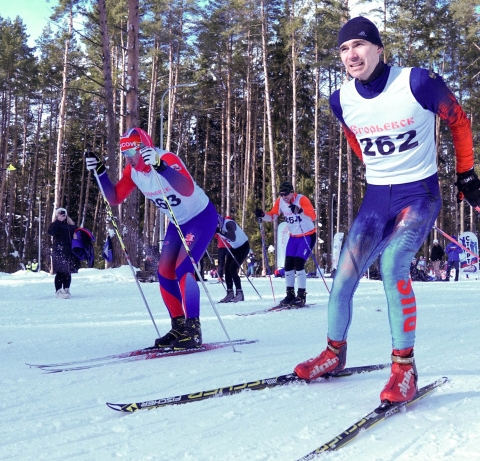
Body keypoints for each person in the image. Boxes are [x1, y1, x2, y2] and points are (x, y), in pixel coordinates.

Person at [294, 16, 476, 407]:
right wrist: (375, 166)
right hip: (377, 199)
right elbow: (354, 138)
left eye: (359, 45)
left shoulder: (417, 82)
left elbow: (459, 121)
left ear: (379, 49)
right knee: (342, 277)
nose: (351, 54)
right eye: (344, 49)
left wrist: (466, 174)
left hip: (419, 196)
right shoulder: (341, 99)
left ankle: (404, 367)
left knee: (394, 264)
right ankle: (333, 353)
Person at [85, 127, 217, 349]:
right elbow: (115, 198)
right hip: (178, 223)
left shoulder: (166, 158)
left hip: (200, 218)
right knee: (164, 271)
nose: (128, 159)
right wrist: (100, 172)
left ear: (143, 148)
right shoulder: (133, 172)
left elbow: (187, 188)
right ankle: (179, 326)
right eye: (124, 154)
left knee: (183, 267)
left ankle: (194, 330)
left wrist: (161, 167)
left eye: (130, 153)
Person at [255, 181, 316, 307]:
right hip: (293, 237)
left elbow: (313, 216)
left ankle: (301, 296)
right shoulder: (280, 202)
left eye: (286, 194)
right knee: (288, 265)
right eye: (281, 194)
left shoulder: (301, 199)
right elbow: (272, 216)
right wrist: (263, 215)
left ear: (292, 192)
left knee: (299, 263)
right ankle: (290, 295)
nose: (284, 197)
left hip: (307, 236)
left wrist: (300, 211)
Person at [216, 215, 250, 302]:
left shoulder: (229, 223)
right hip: (234, 248)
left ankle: (239, 293)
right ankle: (230, 293)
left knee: (232, 268)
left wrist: (220, 232)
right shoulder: (219, 226)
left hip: (243, 247)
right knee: (227, 269)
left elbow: (232, 237)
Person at [48, 207, 78, 299]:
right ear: (57, 215)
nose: (62, 215)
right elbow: (50, 232)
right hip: (59, 251)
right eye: (60, 213)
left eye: (64, 213)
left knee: (68, 272)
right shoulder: (56, 224)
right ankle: (58, 291)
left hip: (70, 251)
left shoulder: (72, 225)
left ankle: (66, 289)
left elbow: (79, 233)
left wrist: (77, 237)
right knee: (60, 272)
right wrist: (58, 221)